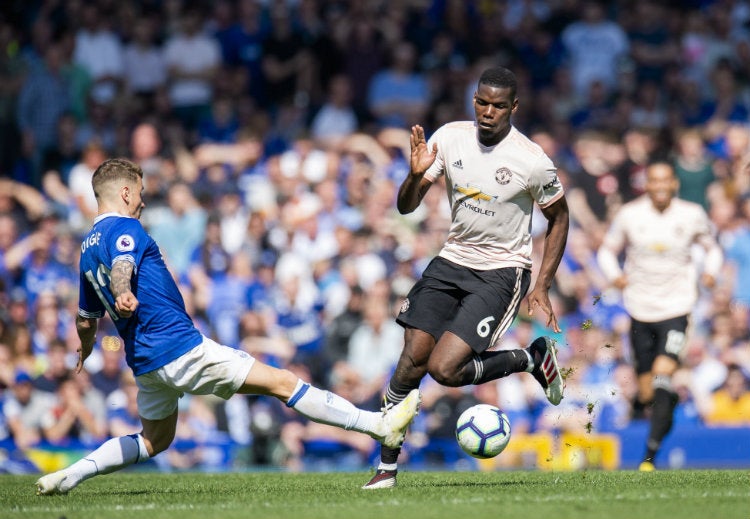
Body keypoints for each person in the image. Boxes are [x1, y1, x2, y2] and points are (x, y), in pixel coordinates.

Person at [35, 158, 420, 495]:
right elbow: (123, 266)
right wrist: (122, 292)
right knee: (282, 383)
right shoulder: (127, 228)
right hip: (180, 347)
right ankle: (378, 425)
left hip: (145, 363)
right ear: (123, 192)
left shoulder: (86, 248)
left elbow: (86, 319)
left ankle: (72, 474)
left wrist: (84, 352)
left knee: (156, 440)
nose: (143, 201)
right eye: (138, 192)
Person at [361, 66, 569, 489]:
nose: (487, 112)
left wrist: (542, 283)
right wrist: (416, 174)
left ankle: (531, 358)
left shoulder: (531, 160)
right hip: (451, 260)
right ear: (473, 100)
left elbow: (559, 218)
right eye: (481, 102)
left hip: (501, 271)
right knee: (409, 363)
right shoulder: (449, 137)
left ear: (513, 107)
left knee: (446, 369)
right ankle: (386, 468)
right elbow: (406, 207)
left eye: (497, 105)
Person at [596, 161, 723, 471]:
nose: (661, 186)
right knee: (646, 390)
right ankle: (662, 404)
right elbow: (606, 251)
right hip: (640, 309)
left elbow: (713, 248)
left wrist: (710, 272)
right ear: (647, 184)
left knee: (663, 372)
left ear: (674, 184)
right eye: (655, 181)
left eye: (666, 180)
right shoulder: (630, 215)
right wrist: (615, 276)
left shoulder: (691, 214)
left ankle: (649, 456)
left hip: (677, 308)